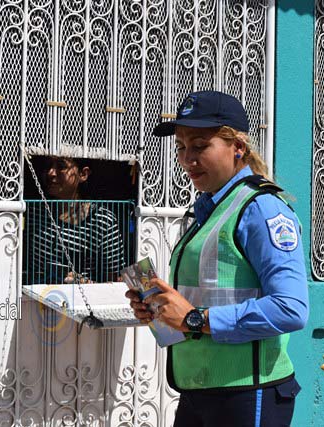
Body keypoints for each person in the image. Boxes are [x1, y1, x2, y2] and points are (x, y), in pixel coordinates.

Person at [125, 91, 309, 426]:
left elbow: (291, 309)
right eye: (181, 147)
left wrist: (195, 319)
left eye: (200, 146)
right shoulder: (209, 209)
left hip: (247, 394)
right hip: (199, 391)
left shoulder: (262, 209)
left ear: (237, 146)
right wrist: (159, 309)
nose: (187, 159)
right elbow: (206, 297)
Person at [26, 156, 125, 284]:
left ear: (83, 174)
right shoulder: (35, 212)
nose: (51, 173)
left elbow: (114, 279)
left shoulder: (102, 220)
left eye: (61, 166)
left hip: (81, 295)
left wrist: (83, 282)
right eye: (48, 166)